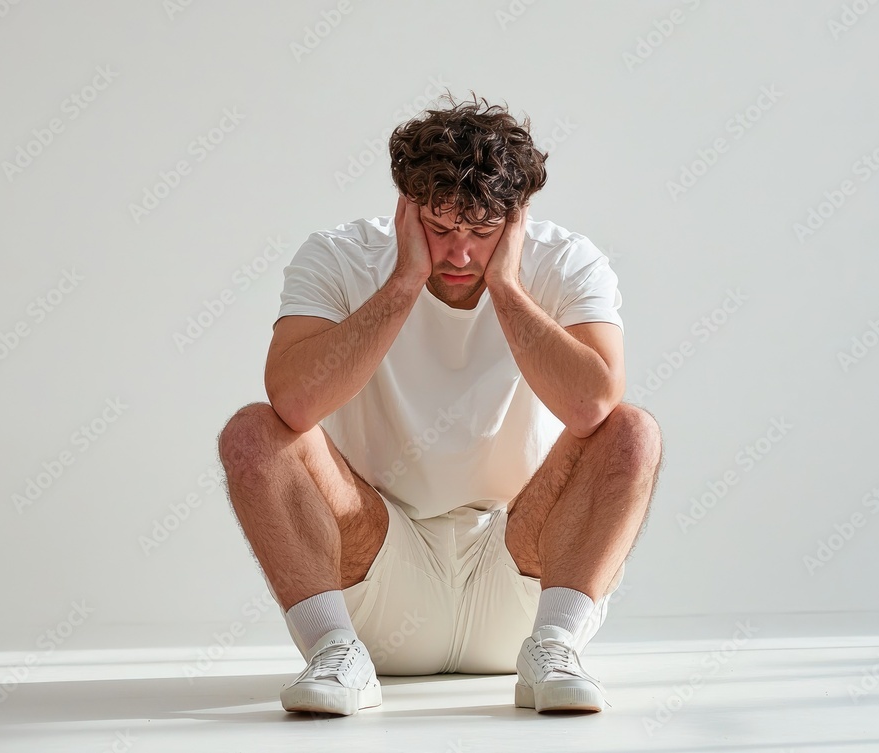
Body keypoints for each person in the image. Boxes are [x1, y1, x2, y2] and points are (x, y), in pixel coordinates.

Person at [216, 92, 663, 716]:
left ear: (517, 218)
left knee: (632, 429)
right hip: (374, 581)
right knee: (251, 432)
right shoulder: (338, 256)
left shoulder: (567, 260)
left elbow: (592, 405)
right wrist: (403, 282)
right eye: (441, 227)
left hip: (522, 582)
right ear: (406, 205)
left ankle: (559, 648)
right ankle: (333, 652)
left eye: (482, 232)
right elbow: (291, 400)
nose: (458, 254)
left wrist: (505, 287)